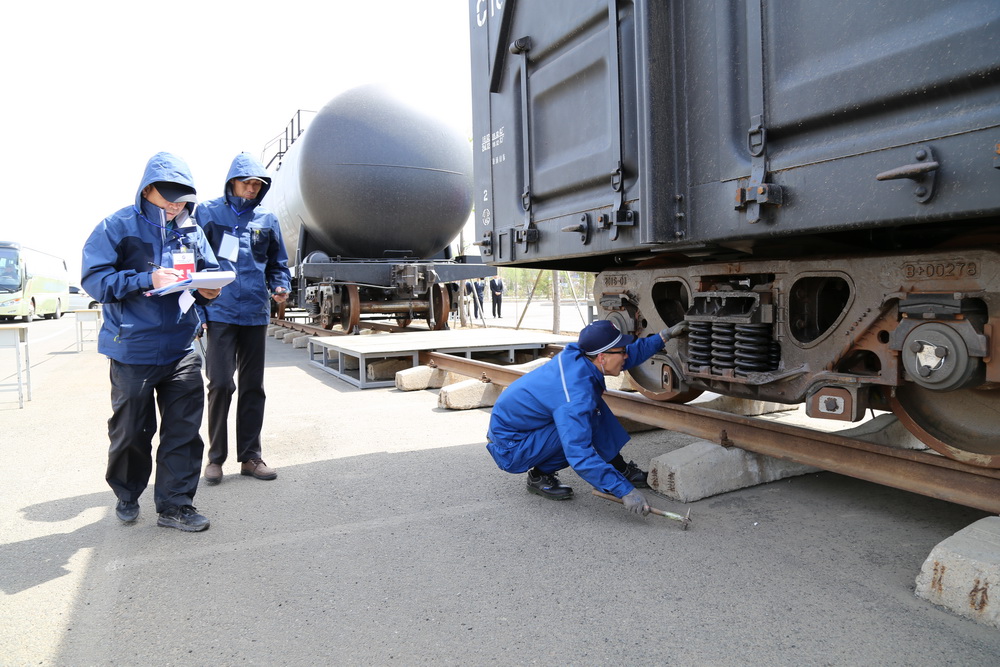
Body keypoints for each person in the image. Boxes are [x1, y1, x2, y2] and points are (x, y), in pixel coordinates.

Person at [81, 152, 221, 532]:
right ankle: (127, 494)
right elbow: (95, 280)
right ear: (147, 190)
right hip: (132, 347)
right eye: (168, 197)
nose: (176, 205)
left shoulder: (191, 231)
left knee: (183, 431)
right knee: (131, 431)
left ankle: (176, 505)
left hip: (182, 347)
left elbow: (208, 271)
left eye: (182, 199)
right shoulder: (116, 226)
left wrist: (210, 289)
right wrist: (146, 280)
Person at [485, 319, 689, 515]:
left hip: (527, 429)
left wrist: (663, 336)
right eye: (622, 351)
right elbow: (578, 452)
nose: (626, 355)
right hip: (512, 447)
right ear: (602, 357)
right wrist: (624, 491)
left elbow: (628, 354)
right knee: (582, 426)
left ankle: (618, 468)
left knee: (591, 411)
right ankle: (539, 475)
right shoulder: (575, 396)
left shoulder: (582, 356)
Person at [196, 154, 291, 484]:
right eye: (247, 183)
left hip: (254, 311)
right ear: (231, 182)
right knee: (220, 384)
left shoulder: (267, 218)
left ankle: (251, 457)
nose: (252, 189)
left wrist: (280, 285)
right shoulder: (207, 213)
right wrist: (198, 309)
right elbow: (194, 261)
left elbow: (278, 263)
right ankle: (215, 458)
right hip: (219, 311)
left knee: (253, 386)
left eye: (257, 185)